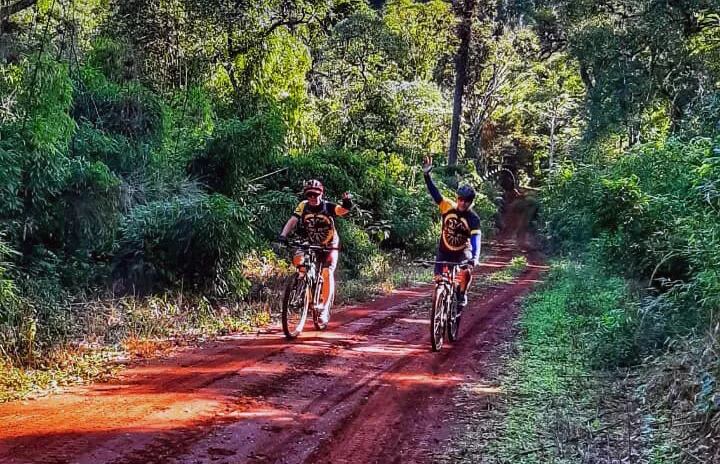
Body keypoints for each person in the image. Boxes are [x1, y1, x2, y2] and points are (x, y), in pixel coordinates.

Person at [277, 179, 353, 325]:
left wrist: (347, 203)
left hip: (329, 244)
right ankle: (302, 283)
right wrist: (283, 235)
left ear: (321, 193)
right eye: (309, 194)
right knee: (299, 260)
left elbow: (341, 211)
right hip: (311, 243)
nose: (312, 197)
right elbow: (293, 220)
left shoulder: (327, 206)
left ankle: (324, 309)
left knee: (326, 272)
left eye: (315, 194)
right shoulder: (303, 206)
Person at [422, 156, 481, 311]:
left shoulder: (473, 218)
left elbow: (476, 239)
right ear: (457, 198)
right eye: (460, 199)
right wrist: (426, 175)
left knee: (466, 270)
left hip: (462, 252)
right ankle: (439, 309)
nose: (462, 203)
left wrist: (474, 258)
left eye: (467, 201)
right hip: (444, 251)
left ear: (471, 202)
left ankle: (462, 294)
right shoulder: (447, 206)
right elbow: (435, 193)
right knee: (438, 281)